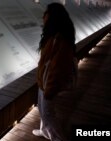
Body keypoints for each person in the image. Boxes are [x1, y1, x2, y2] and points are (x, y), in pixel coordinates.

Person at [32, 2, 76, 141]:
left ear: (53, 16)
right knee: (42, 108)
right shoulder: (53, 35)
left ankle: (58, 138)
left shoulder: (60, 39)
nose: (44, 15)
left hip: (49, 83)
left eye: (46, 13)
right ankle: (44, 130)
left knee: (48, 113)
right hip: (44, 81)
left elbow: (58, 68)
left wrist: (50, 89)